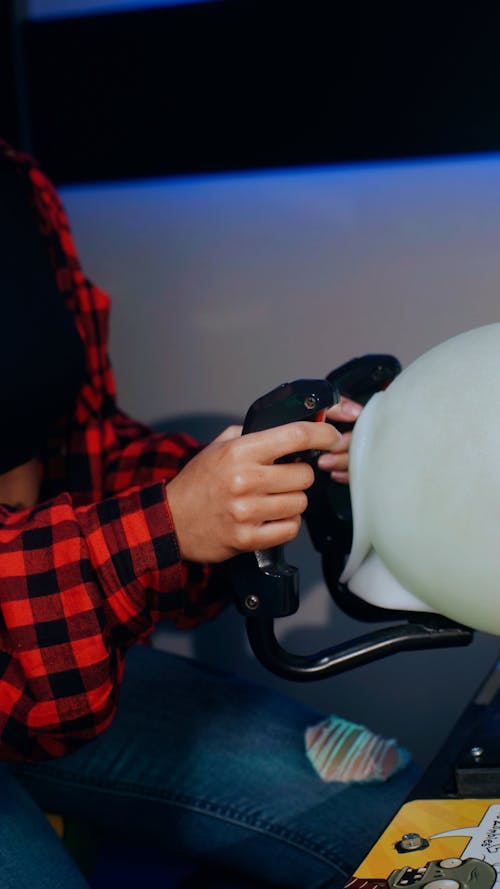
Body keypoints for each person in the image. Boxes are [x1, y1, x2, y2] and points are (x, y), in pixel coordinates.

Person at [0, 139, 418, 889]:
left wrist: (253, 471)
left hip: (31, 664)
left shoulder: (15, 181)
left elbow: (89, 445)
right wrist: (165, 525)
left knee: (404, 810)